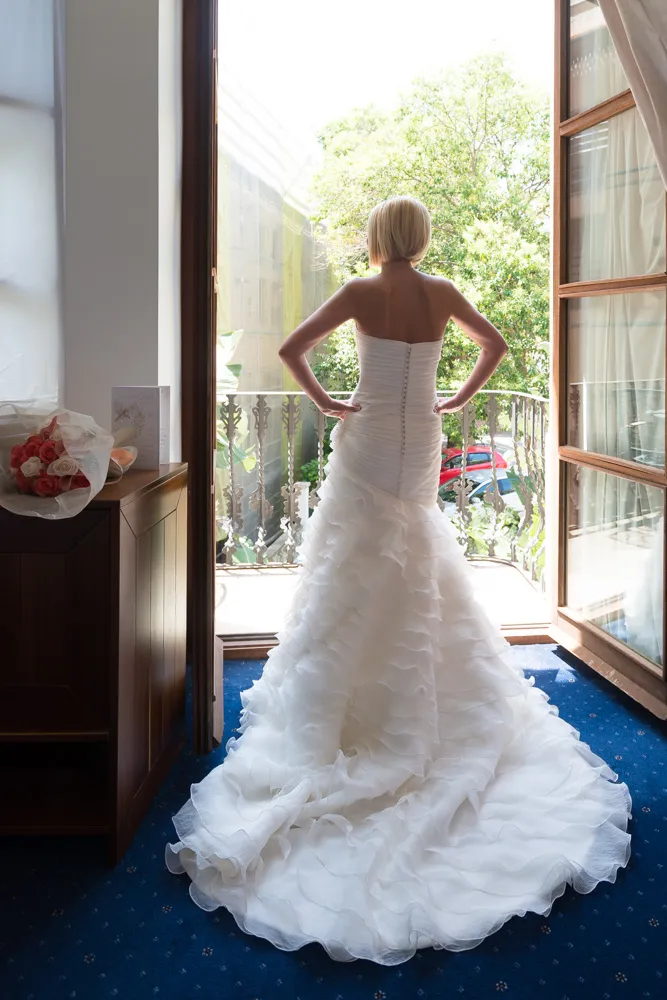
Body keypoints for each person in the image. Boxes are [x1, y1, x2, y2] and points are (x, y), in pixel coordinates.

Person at [167, 196, 632, 965]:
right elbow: (495, 343)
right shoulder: (443, 293)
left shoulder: (359, 292)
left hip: (373, 427)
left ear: (380, 238)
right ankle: (422, 689)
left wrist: (325, 401)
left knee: (356, 558)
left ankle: (354, 696)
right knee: (415, 548)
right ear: (420, 239)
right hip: (421, 432)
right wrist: (460, 395)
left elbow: (291, 348)